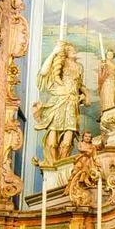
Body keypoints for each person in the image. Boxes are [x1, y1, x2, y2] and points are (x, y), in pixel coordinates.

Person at [34, 37, 86, 165]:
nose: (74, 51)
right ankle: (51, 166)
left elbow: (80, 85)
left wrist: (84, 95)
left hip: (72, 103)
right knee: (52, 140)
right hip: (59, 101)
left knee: (68, 142)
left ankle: (63, 166)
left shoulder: (79, 67)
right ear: (65, 52)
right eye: (70, 49)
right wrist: (54, 52)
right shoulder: (60, 62)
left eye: (74, 49)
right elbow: (44, 71)